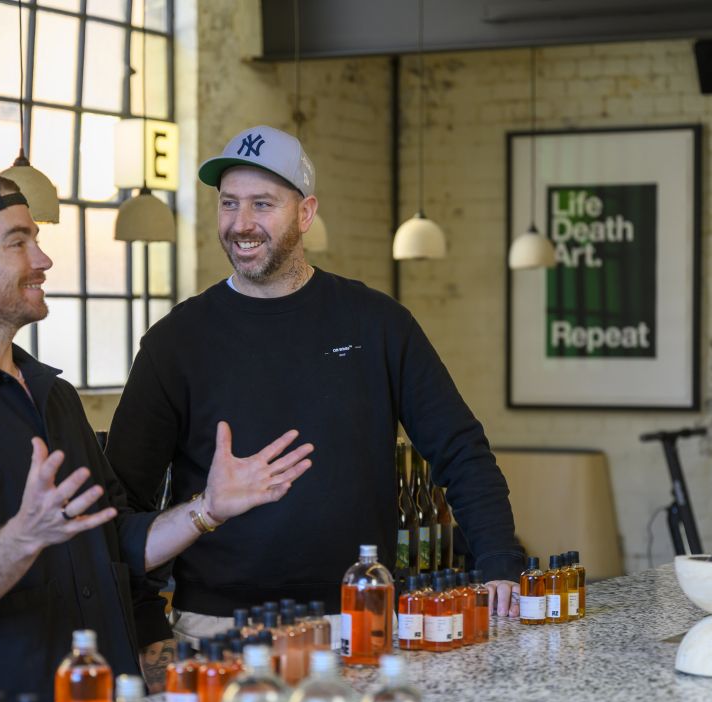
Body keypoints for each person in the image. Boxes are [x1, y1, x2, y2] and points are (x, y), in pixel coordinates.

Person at [0, 175, 313, 702]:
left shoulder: (53, 396)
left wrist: (207, 509)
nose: (43, 260)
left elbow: (115, 540)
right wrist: (23, 538)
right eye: (18, 242)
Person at [106, 125, 525, 648]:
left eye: (263, 204)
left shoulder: (377, 324)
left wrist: (499, 562)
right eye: (229, 203)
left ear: (305, 213)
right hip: (217, 630)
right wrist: (146, 629)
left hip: (360, 617)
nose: (242, 224)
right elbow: (120, 509)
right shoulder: (175, 342)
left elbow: (459, 448)